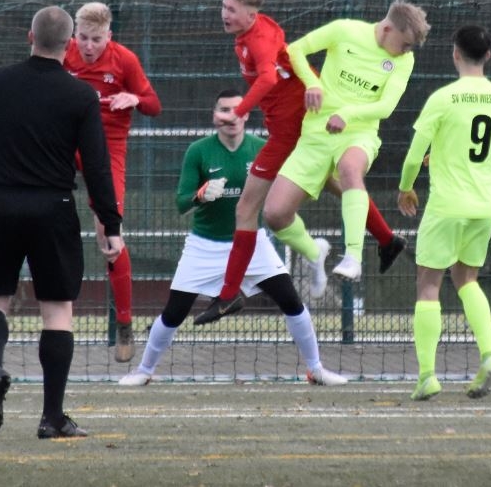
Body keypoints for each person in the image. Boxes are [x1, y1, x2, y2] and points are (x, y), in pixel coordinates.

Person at [0, 6, 126, 439]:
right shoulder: (81, 95)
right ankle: (52, 417)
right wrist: (110, 223)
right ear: (70, 45)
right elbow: (98, 166)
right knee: (57, 310)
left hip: (0, 203)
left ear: (30, 37)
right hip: (54, 208)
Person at [195, 0, 406, 325]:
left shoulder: (257, 40)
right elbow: (290, 55)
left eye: (231, 9)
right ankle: (379, 241)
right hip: (293, 124)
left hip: (292, 128)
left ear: (251, 14)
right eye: (224, 6)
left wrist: (240, 110)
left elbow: (267, 77)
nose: (224, 14)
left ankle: (229, 295)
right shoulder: (255, 30)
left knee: (247, 208)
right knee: (336, 186)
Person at [119, 90, 348, 387]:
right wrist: (201, 195)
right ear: (214, 116)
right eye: (224, 110)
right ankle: (144, 370)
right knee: (174, 312)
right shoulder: (198, 151)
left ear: (247, 114)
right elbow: (181, 202)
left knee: (291, 301)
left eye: (238, 110)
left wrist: (340, 181)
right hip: (204, 245)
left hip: (252, 243)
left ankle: (316, 369)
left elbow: (297, 180)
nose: (232, 116)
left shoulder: (263, 149)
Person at [258, 0, 429, 290]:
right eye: (405, 44)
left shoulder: (404, 61)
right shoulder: (344, 30)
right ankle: (315, 252)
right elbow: (295, 50)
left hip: (359, 133)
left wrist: (347, 114)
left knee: (350, 168)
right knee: (275, 214)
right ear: (388, 29)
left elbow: (386, 107)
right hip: (315, 135)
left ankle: (353, 258)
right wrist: (312, 83)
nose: (406, 51)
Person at [397, 25, 491, 401]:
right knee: (467, 279)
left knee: (428, 285)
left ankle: (427, 376)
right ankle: (490, 355)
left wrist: (406, 187)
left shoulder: (444, 98)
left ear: (455, 54)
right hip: (486, 204)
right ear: (489, 56)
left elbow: (413, 155)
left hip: (447, 204)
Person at [62, 1, 162, 363]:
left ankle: (124, 323)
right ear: (74, 34)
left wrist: (134, 97)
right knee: (38, 209)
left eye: (97, 39)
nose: (89, 46)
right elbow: (37, 41)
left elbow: (153, 105)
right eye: (83, 38)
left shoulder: (125, 60)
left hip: (107, 150)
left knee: (109, 233)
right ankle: (54, 315)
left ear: (109, 36)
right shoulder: (63, 51)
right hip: (65, 143)